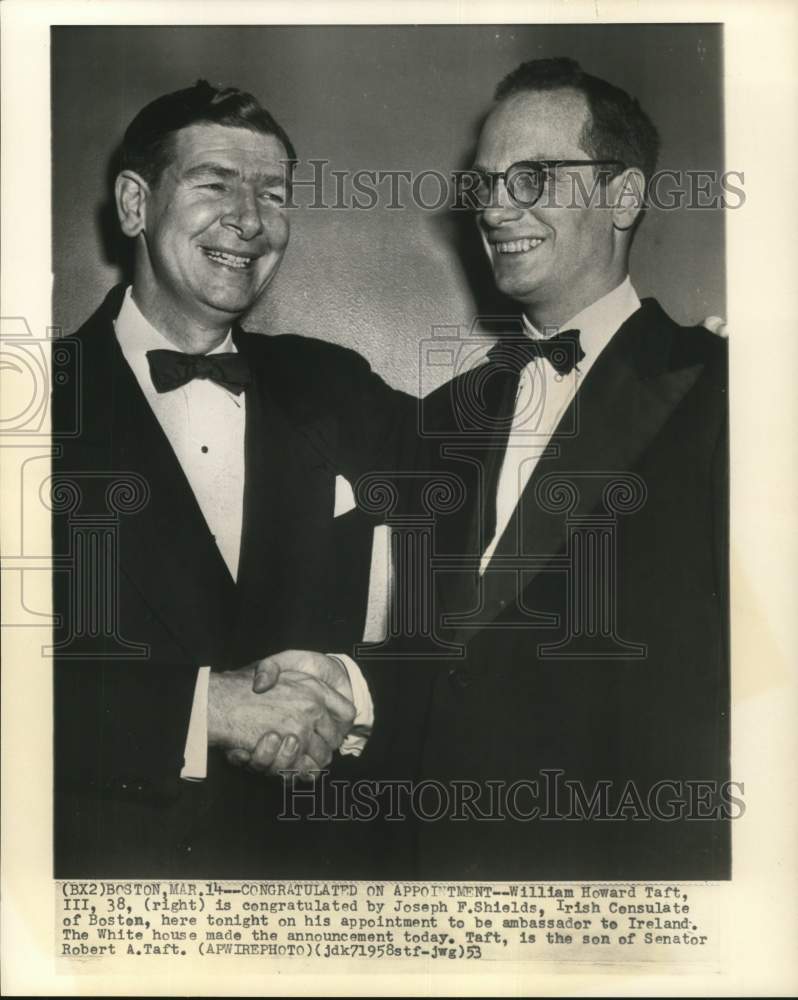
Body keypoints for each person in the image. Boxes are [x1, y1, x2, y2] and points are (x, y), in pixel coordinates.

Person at [256, 58, 730, 880]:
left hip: (627, 890)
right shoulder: (444, 416)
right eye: (486, 185)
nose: (496, 208)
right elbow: (456, 661)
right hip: (441, 884)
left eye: (533, 177)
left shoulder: (731, 391)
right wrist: (350, 688)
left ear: (623, 197)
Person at [52, 80, 411, 877]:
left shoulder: (337, 387)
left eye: (273, 194)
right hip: (98, 906)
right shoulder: (28, 404)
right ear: (135, 205)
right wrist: (202, 710)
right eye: (215, 183)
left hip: (313, 901)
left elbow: (494, 465)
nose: (249, 218)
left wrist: (665, 368)